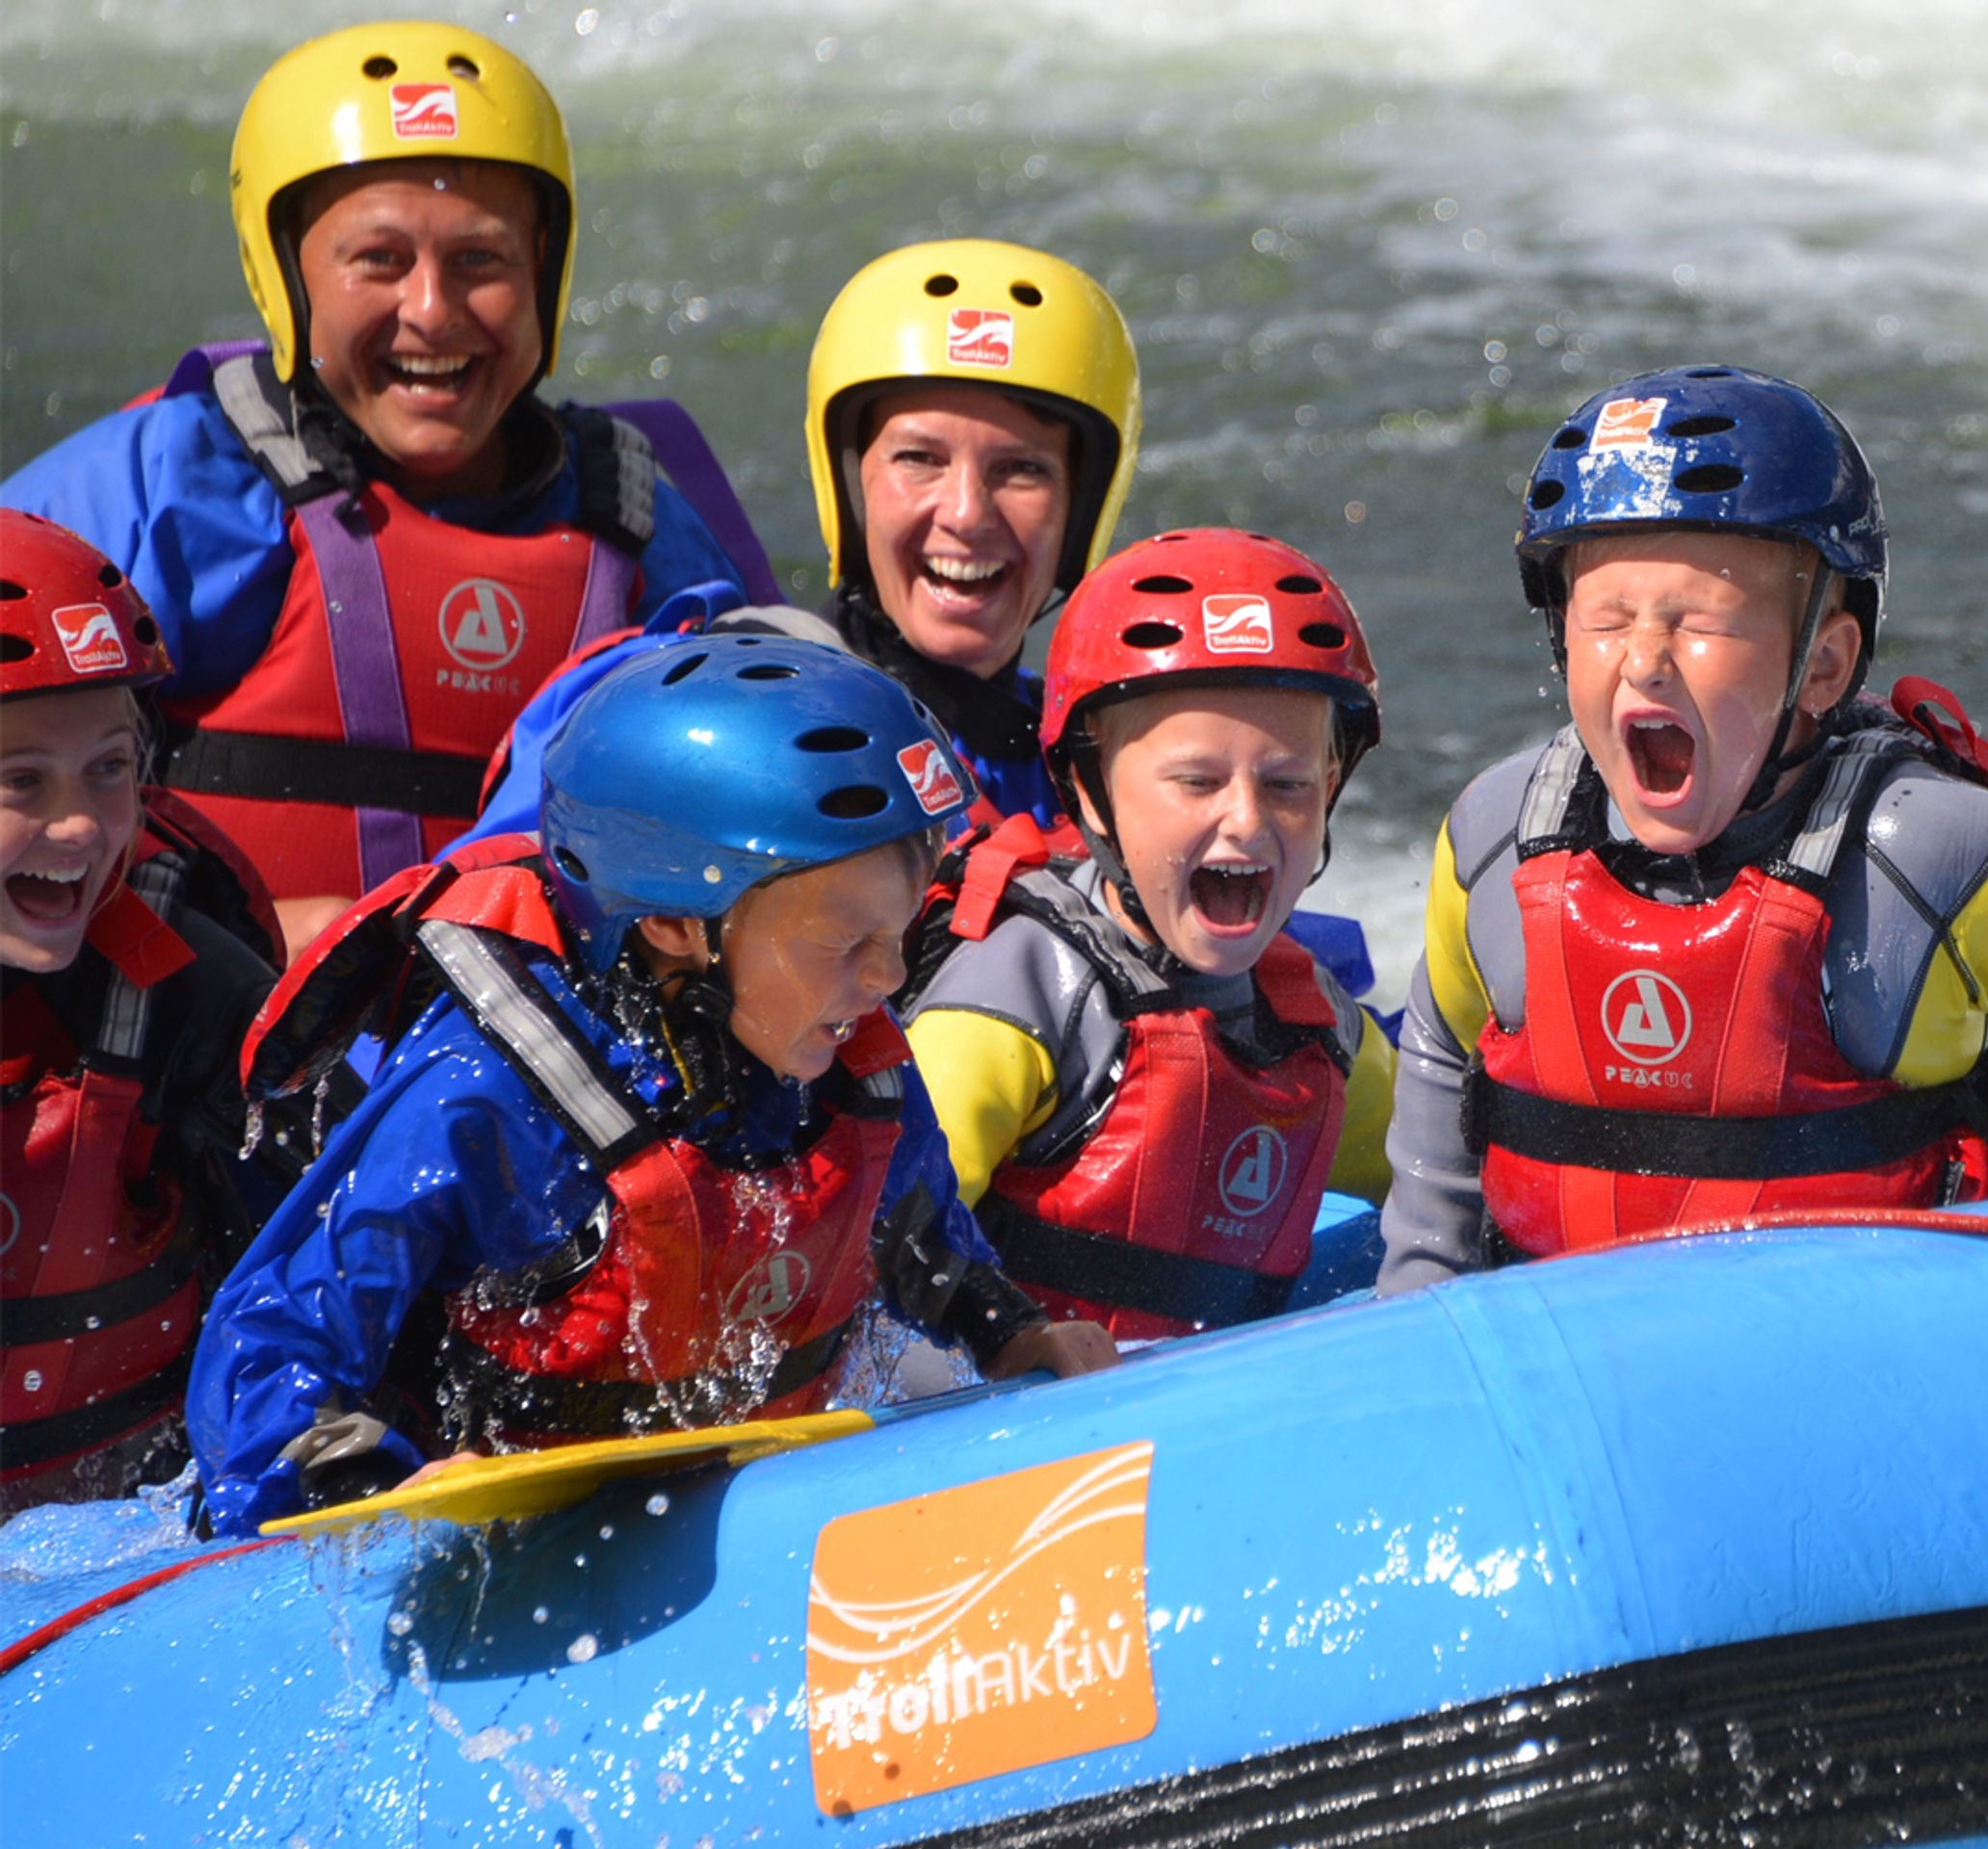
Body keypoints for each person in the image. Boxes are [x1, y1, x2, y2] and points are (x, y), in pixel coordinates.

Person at [1378, 367, 1988, 1290]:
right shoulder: (1500, 842)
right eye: (1608, 618)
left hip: (1895, 1356)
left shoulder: (1930, 855)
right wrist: (1420, 1286)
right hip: (1577, 1346)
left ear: (1824, 665)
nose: (1643, 662)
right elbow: (1443, 1052)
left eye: (1697, 623)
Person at [187, 635, 1116, 1538]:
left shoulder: (845, 1065)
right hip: (485, 1551)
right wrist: (371, 1494)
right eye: (846, 943)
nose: (885, 981)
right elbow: (272, 1337)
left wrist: (1010, 1332)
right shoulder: (484, 1098)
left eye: (900, 935)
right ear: (676, 925)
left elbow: (916, 1234)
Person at [0, 21, 760, 951]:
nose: (432, 311)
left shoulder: (637, 522)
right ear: (288, 280)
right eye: (380, 261)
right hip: (210, 1045)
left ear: (544, 276)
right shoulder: (167, 486)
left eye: (481, 260)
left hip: (529, 1067)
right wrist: (245, 940)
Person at [463, 238, 1142, 838]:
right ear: (851, 493)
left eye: (1022, 469)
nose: (966, 513)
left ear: (1081, 510)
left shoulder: (1107, 768)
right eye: (919, 459)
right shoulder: (713, 700)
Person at [902, 531, 1396, 1338]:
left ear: (1331, 788)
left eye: (1289, 785)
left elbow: (1444, 1167)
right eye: (1197, 781)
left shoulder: (1316, 1026)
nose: (1245, 820)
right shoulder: (1016, 994)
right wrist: (1003, 1337)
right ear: (1092, 795)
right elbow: (882, 1238)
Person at [0, 511, 301, 1512]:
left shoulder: (184, 990)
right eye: (21, 782)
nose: (81, 824)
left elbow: (326, 1269)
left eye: (110, 769)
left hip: (123, 1544)